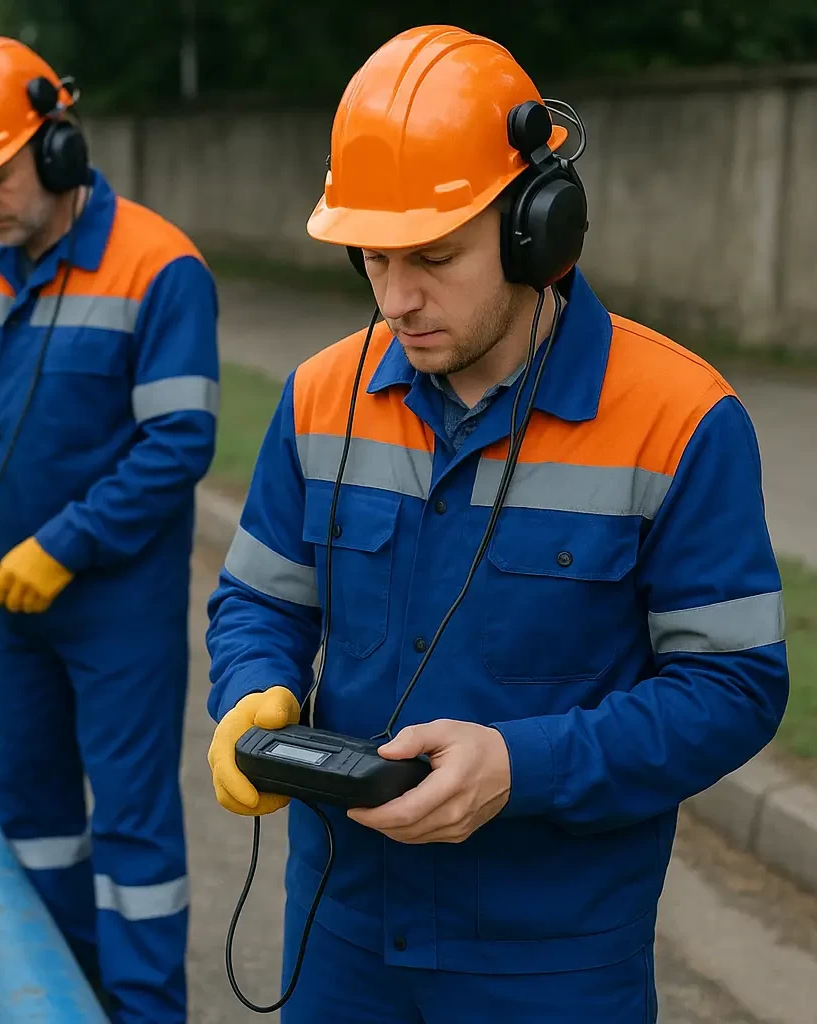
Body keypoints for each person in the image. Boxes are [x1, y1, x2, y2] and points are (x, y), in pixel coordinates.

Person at [204, 24, 789, 1023]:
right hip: (339, 937)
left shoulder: (680, 423)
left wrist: (523, 766)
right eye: (372, 260)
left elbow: (731, 688)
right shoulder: (317, 399)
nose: (396, 298)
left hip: (551, 962)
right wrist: (253, 689)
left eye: (432, 256)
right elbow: (258, 596)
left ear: (537, 226)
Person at [0, 36, 219, 1024]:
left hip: (115, 608)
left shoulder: (160, 270)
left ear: (58, 148)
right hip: (8, 604)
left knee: (132, 837)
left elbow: (179, 442)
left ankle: (142, 1013)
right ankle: (54, 996)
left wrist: (65, 544)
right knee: (32, 823)